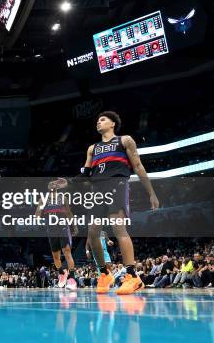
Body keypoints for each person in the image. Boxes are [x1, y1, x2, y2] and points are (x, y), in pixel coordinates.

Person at [81, 111, 159, 295]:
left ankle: (132, 276)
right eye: (97, 121)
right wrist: (68, 183)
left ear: (113, 124)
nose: (98, 123)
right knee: (92, 233)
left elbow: (138, 166)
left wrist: (151, 193)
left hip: (117, 185)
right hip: (97, 191)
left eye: (102, 120)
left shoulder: (125, 140)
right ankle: (104, 273)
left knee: (118, 229)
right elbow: (85, 174)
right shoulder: (92, 148)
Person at [36, 178, 77, 290]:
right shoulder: (43, 200)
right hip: (51, 229)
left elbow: (69, 213)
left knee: (67, 252)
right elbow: (37, 213)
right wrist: (38, 219)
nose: (53, 184)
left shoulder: (63, 198)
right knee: (56, 257)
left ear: (57, 187)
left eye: (54, 183)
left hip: (64, 227)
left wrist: (74, 226)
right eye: (51, 183)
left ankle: (72, 280)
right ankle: (62, 273)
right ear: (48, 187)